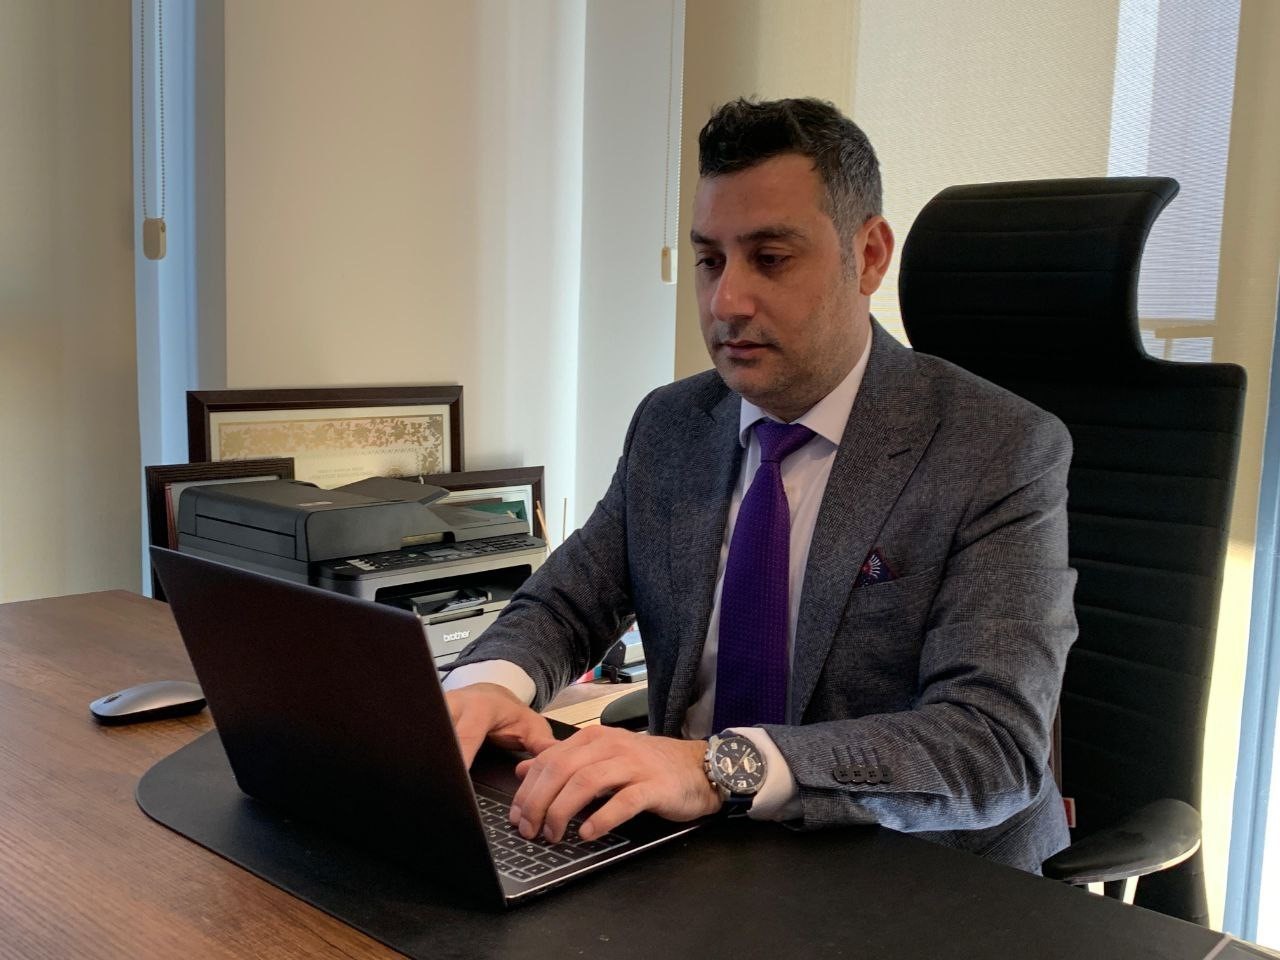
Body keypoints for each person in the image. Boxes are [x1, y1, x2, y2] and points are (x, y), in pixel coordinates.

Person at [442, 97, 1077, 873]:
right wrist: (488, 687)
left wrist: (719, 768)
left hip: (912, 874)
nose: (725, 303)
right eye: (709, 260)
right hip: (697, 861)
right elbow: (567, 603)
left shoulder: (997, 448)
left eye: (770, 259)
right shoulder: (673, 425)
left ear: (869, 255)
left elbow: (990, 746)